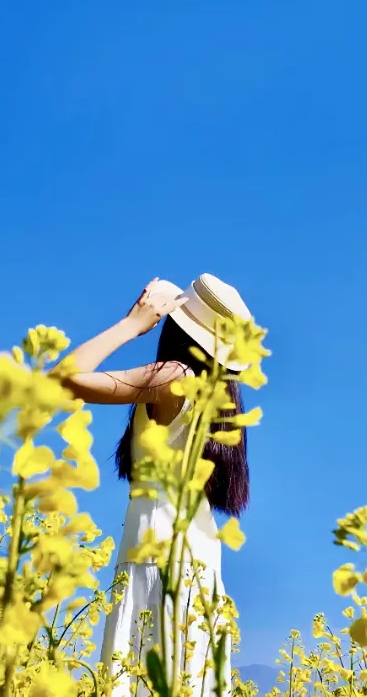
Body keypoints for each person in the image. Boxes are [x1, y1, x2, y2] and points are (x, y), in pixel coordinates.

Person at [57, 274, 254, 697]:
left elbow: (66, 378)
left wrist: (132, 324)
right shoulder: (221, 397)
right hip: (199, 554)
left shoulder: (172, 375)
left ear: (178, 327)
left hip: (156, 551)